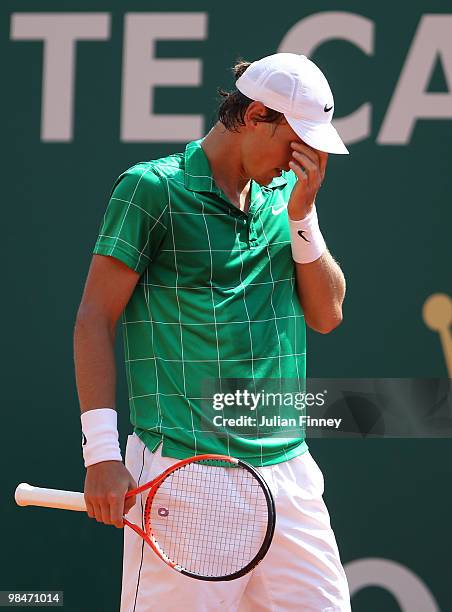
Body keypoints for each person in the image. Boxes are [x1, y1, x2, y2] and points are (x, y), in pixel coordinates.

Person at [74, 53, 351, 611]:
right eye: (297, 143)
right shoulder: (151, 190)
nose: (307, 160)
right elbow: (93, 319)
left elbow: (327, 315)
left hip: (289, 477)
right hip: (187, 474)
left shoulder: (288, 199)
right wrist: (100, 454)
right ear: (254, 115)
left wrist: (303, 216)